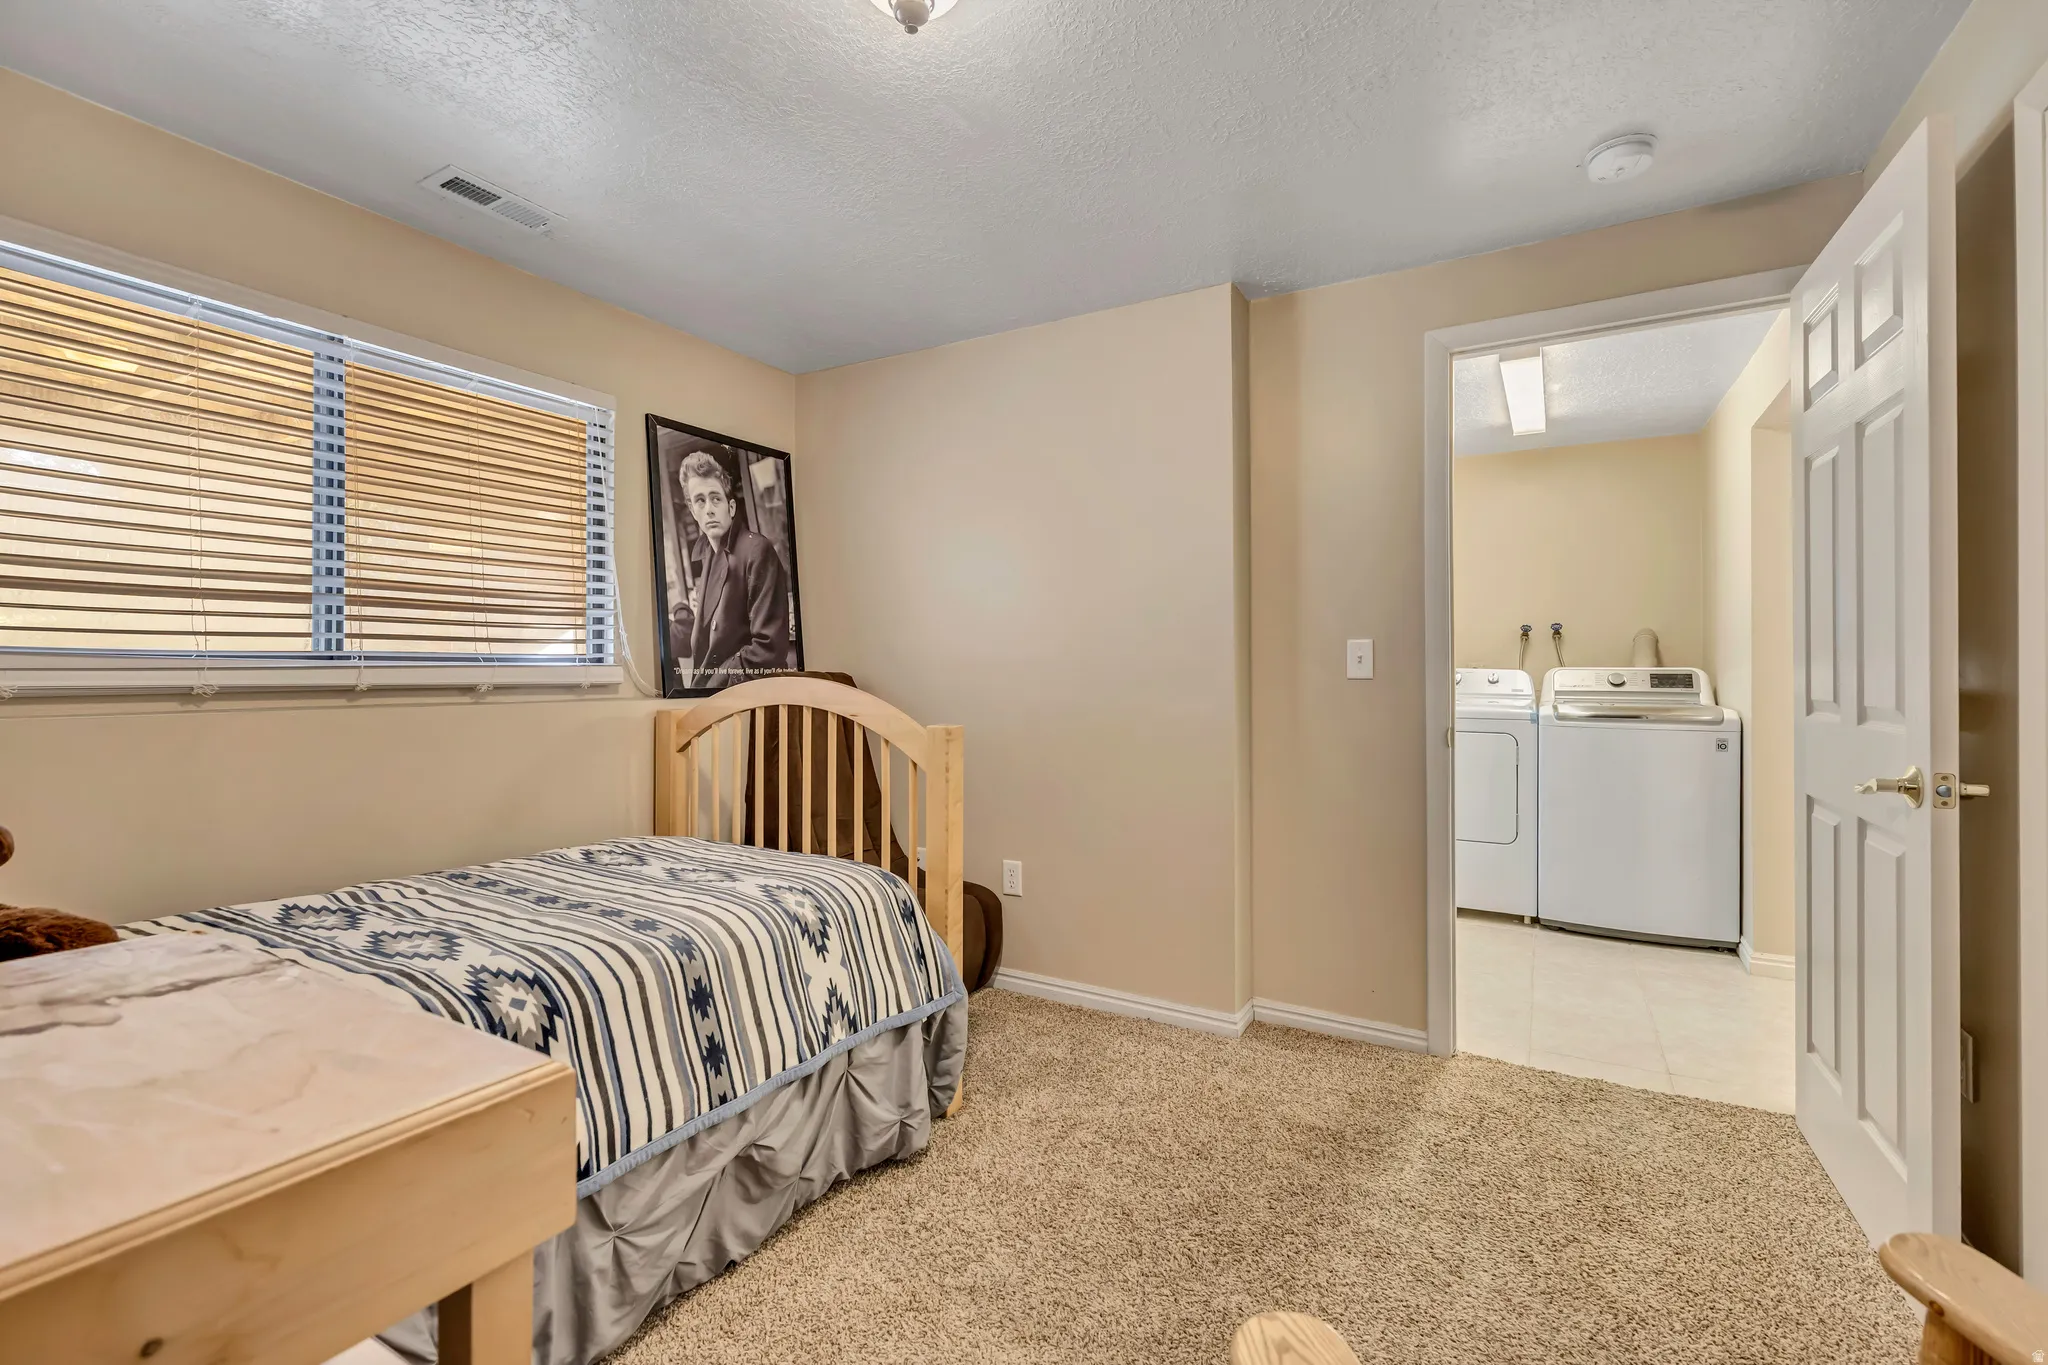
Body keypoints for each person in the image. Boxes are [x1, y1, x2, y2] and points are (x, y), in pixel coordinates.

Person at [674, 449, 789, 691]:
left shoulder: (756, 550)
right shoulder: (708, 556)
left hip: (748, 699)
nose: (709, 509)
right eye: (700, 500)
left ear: (732, 507)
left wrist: (711, 687)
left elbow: (767, 650)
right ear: (693, 510)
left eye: (716, 498)